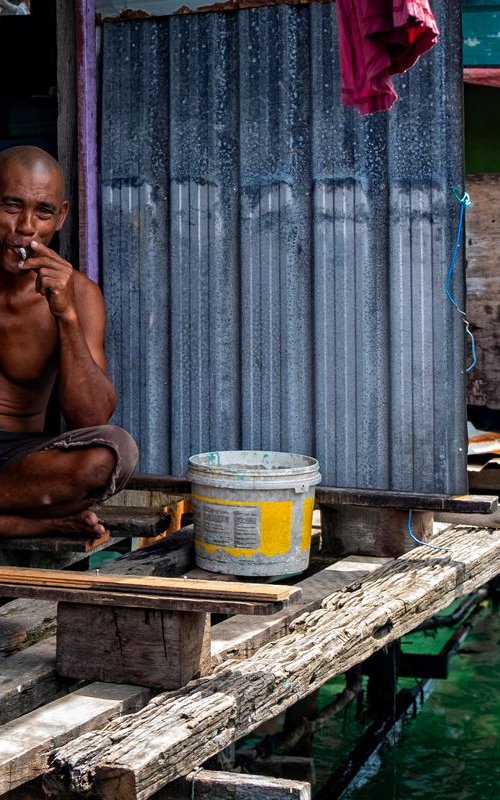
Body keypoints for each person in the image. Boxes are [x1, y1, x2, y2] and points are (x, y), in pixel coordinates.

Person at [0, 145, 138, 539]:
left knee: (112, 453)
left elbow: (91, 419)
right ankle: (28, 524)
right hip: (17, 494)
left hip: (20, 464)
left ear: (60, 217)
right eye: (11, 206)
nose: (25, 226)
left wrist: (67, 316)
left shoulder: (79, 294)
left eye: (42, 212)